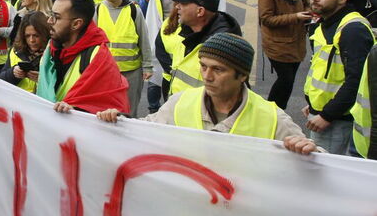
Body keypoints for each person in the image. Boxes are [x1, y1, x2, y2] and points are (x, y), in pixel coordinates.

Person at [94, 33, 319, 154]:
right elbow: (144, 130)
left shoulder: (273, 118)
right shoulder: (180, 102)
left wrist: (311, 149)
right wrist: (118, 120)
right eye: (203, 66)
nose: (206, 76)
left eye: (218, 69)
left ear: (242, 76)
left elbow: (319, 167)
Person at [304, 0, 375, 154]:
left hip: (337, 119)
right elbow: (322, 69)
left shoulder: (352, 30)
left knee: (323, 174)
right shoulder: (325, 23)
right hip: (323, 112)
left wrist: (327, 114)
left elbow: (356, 80)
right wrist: (312, 103)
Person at [37, 0, 129, 113]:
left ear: (76, 24)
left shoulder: (98, 56)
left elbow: (111, 107)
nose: (49, 21)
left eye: (56, 17)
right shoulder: (51, 47)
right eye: (50, 15)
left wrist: (76, 110)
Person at [164, 0, 241, 95]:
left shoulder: (222, 48)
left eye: (183, 3)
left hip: (199, 111)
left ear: (200, 11)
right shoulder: (186, 32)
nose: (177, 7)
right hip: (179, 107)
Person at [256, 0, 311, 110]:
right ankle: (272, 111)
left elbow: (306, 4)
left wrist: (308, 13)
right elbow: (266, 19)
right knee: (285, 80)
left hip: (297, 42)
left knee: (289, 81)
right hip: (277, 44)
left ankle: (279, 111)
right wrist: (296, 17)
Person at [94, 0, 153, 116]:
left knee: (129, 111)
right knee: (107, 111)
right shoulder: (98, 9)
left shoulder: (133, 10)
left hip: (131, 72)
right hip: (106, 71)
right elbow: (92, 41)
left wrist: (147, 66)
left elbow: (144, 39)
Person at [0, 11, 50, 93]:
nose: (31, 40)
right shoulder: (16, 50)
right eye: (27, 36)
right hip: (18, 101)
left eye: (36, 35)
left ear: (44, 34)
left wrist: (42, 80)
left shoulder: (53, 53)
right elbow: (1, 78)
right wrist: (13, 73)